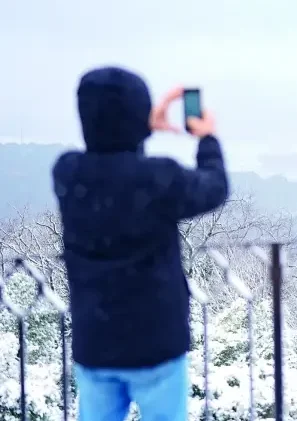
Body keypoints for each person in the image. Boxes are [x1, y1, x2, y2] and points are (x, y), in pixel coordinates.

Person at [51, 66, 229, 421]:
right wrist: (206, 139)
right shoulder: (159, 177)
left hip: (95, 342)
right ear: (139, 117)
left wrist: (141, 127)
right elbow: (214, 187)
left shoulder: (68, 173)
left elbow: (116, 173)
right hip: (157, 343)